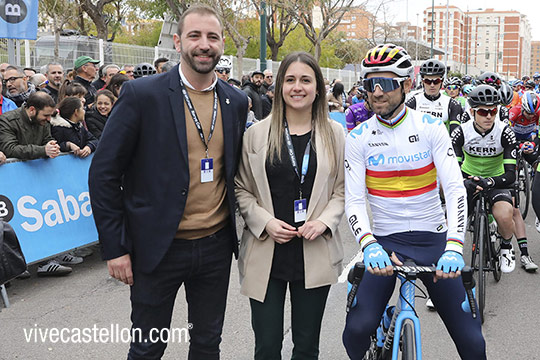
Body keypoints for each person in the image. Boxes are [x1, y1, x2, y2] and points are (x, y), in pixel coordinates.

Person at [88, 5, 249, 359]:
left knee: (207, 344)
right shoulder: (142, 95)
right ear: (178, 42)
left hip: (215, 247)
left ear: (222, 44)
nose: (203, 45)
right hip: (156, 248)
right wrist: (115, 247)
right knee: (148, 347)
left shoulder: (236, 101)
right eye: (195, 36)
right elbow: (103, 174)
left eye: (212, 37)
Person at [342, 43, 485, 359]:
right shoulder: (358, 138)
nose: (377, 92)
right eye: (370, 84)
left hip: (434, 243)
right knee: (354, 332)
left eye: (387, 83)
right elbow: (353, 201)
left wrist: (454, 246)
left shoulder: (430, 127)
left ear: (407, 84)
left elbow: (455, 189)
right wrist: (369, 245)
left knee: (474, 344)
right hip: (385, 245)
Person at [235, 51, 345, 360]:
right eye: (291, 79)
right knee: (267, 347)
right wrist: (265, 222)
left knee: (307, 347)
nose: (298, 87)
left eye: (306, 80)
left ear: (318, 87)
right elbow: (242, 189)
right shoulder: (256, 134)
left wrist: (324, 221)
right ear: (280, 85)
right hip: (266, 251)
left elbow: (341, 190)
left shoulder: (335, 134)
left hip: (314, 250)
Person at [451, 85, 532, 272]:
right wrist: (466, 181)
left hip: (497, 179)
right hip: (469, 177)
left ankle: (505, 246)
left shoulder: (505, 132)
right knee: (453, 222)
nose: (488, 116)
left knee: (505, 214)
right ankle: (449, 265)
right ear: (472, 112)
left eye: (493, 111)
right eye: (482, 111)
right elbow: (452, 168)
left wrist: (490, 182)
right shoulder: (460, 132)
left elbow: (511, 174)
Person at [405, 58, 463, 134]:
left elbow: (454, 133)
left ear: (442, 81)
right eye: (428, 81)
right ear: (422, 82)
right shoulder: (413, 102)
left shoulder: (452, 104)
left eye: (436, 81)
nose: (432, 85)